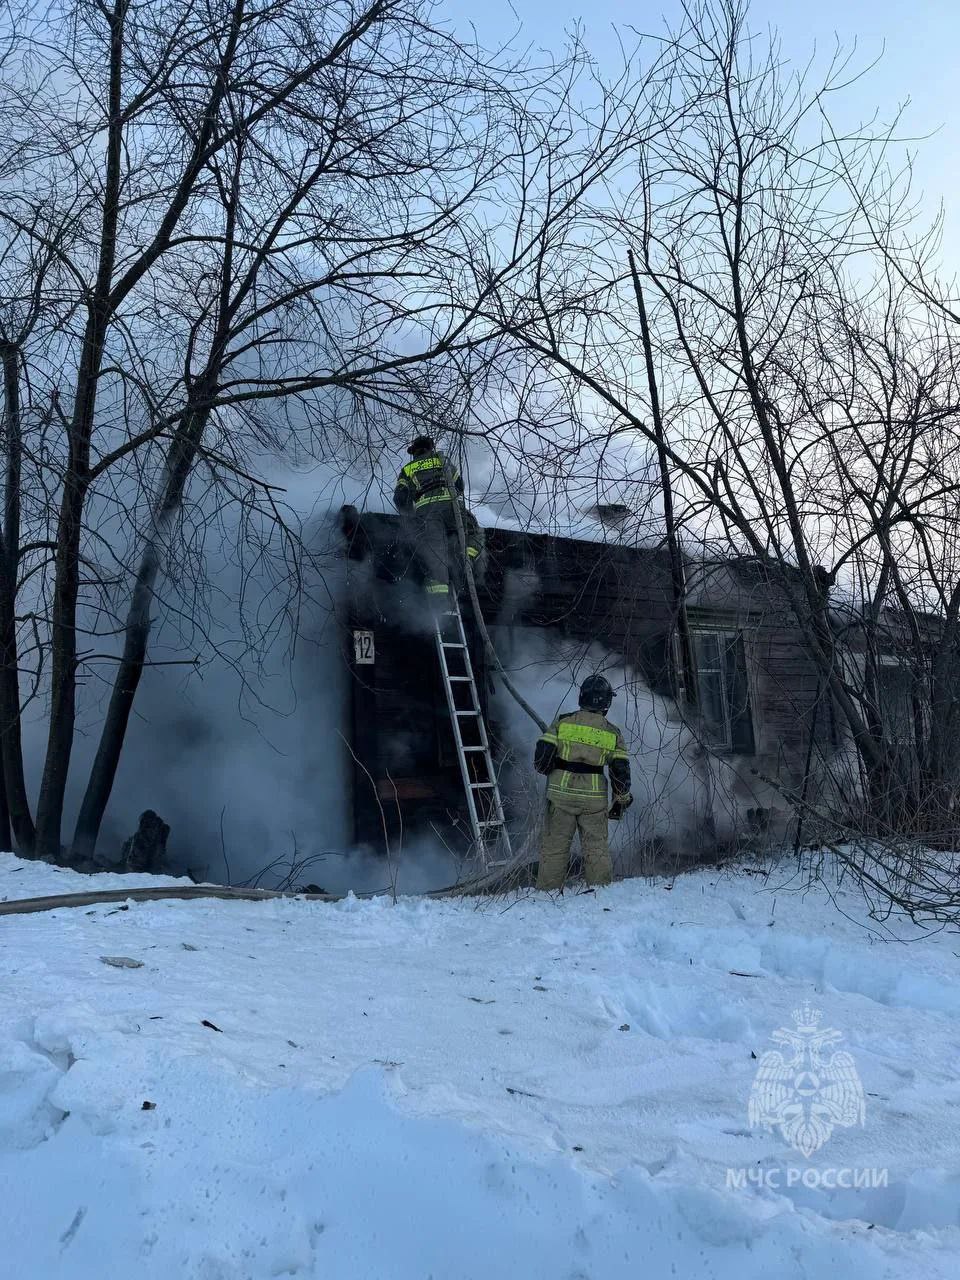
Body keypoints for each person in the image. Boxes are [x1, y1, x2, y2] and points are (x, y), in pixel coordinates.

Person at [533, 674, 632, 889]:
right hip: (594, 801)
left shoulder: (562, 722)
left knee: (555, 848)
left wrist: (554, 767)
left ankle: (547, 894)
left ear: (582, 697)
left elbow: (541, 761)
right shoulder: (613, 732)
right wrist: (622, 798)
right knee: (596, 848)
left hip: (560, 796)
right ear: (607, 702)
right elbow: (620, 772)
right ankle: (600, 892)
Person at [394, 436, 464, 599]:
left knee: (436, 554)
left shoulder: (408, 468)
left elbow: (399, 498)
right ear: (430, 448)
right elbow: (460, 486)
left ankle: (441, 599)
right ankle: (464, 585)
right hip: (453, 512)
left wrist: (409, 515)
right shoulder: (443, 461)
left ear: (415, 452)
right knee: (461, 546)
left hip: (429, 514)